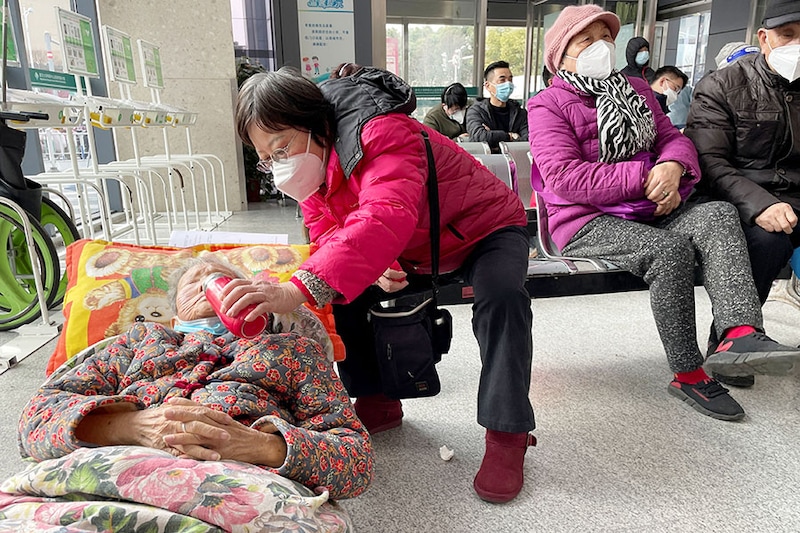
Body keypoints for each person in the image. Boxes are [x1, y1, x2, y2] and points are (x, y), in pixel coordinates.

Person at [233, 64, 535, 503]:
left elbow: (386, 212)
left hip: (485, 228)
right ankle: (377, 399)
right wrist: (370, 266)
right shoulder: (315, 167)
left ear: (317, 126)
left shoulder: (381, 131)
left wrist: (296, 288)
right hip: (414, 243)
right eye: (267, 158)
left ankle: (507, 434)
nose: (279, 166)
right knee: (343, 287)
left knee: (503, 296)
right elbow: (328, 238)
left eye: (282, 149)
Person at [528, 4, 800, 422]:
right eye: (587, 41)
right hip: (585, 220)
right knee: (669, 251)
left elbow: (674, 138)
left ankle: (739, 334)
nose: (601, 48)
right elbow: (564, 178)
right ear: (561, 54)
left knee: (717, 213)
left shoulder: (635, 89)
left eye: (606, 39)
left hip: (650, 206)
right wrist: (648, 178)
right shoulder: (548, 104)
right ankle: (688, 374)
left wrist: (673, 168)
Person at [18, 255, 373, 500]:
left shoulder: (294, 350)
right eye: (194, 283)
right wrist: (131, 426)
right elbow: (35, 421)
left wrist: (261, 446)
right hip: (109, 485)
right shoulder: (138, 342)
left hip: (244, 490)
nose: (208, 286)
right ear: (174, 316)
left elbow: (357, 461)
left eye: (223, 281)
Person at [685, 0, 800, 387]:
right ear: (764, 38)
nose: (796, 45)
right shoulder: (723, 85)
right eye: (788, 35)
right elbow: (709, 162)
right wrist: (761, 205)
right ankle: (730, 340)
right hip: (740, 195)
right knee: (768, 240)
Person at [465, 60, 528, 153]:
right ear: (488, 86)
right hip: (486, 162)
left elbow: (528, 140)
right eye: (502, 80)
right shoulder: (476, 111)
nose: (508, 84)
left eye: (510, 79)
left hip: (515, 163)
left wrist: (492, 138)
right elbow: (479, 137)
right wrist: (509, 136)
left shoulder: (520, 113)